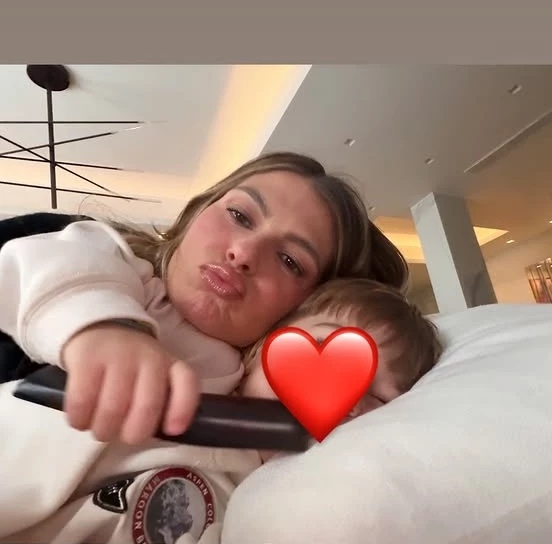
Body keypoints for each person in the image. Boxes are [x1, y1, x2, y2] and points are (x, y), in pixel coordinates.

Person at [0, 150, 408, 445]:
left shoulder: (254, 390)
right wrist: (105, 328)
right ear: (198, 210)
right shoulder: (116, 262)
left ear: (305, 304)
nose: (243, 254)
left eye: (289, 261)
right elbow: (53, 265)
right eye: (240, 215)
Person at [0, 278, 441, 543]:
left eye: (374, 398)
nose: (341, 394)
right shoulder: (182, 377)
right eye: (324, 347)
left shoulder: (270, 511)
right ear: (261, 349)